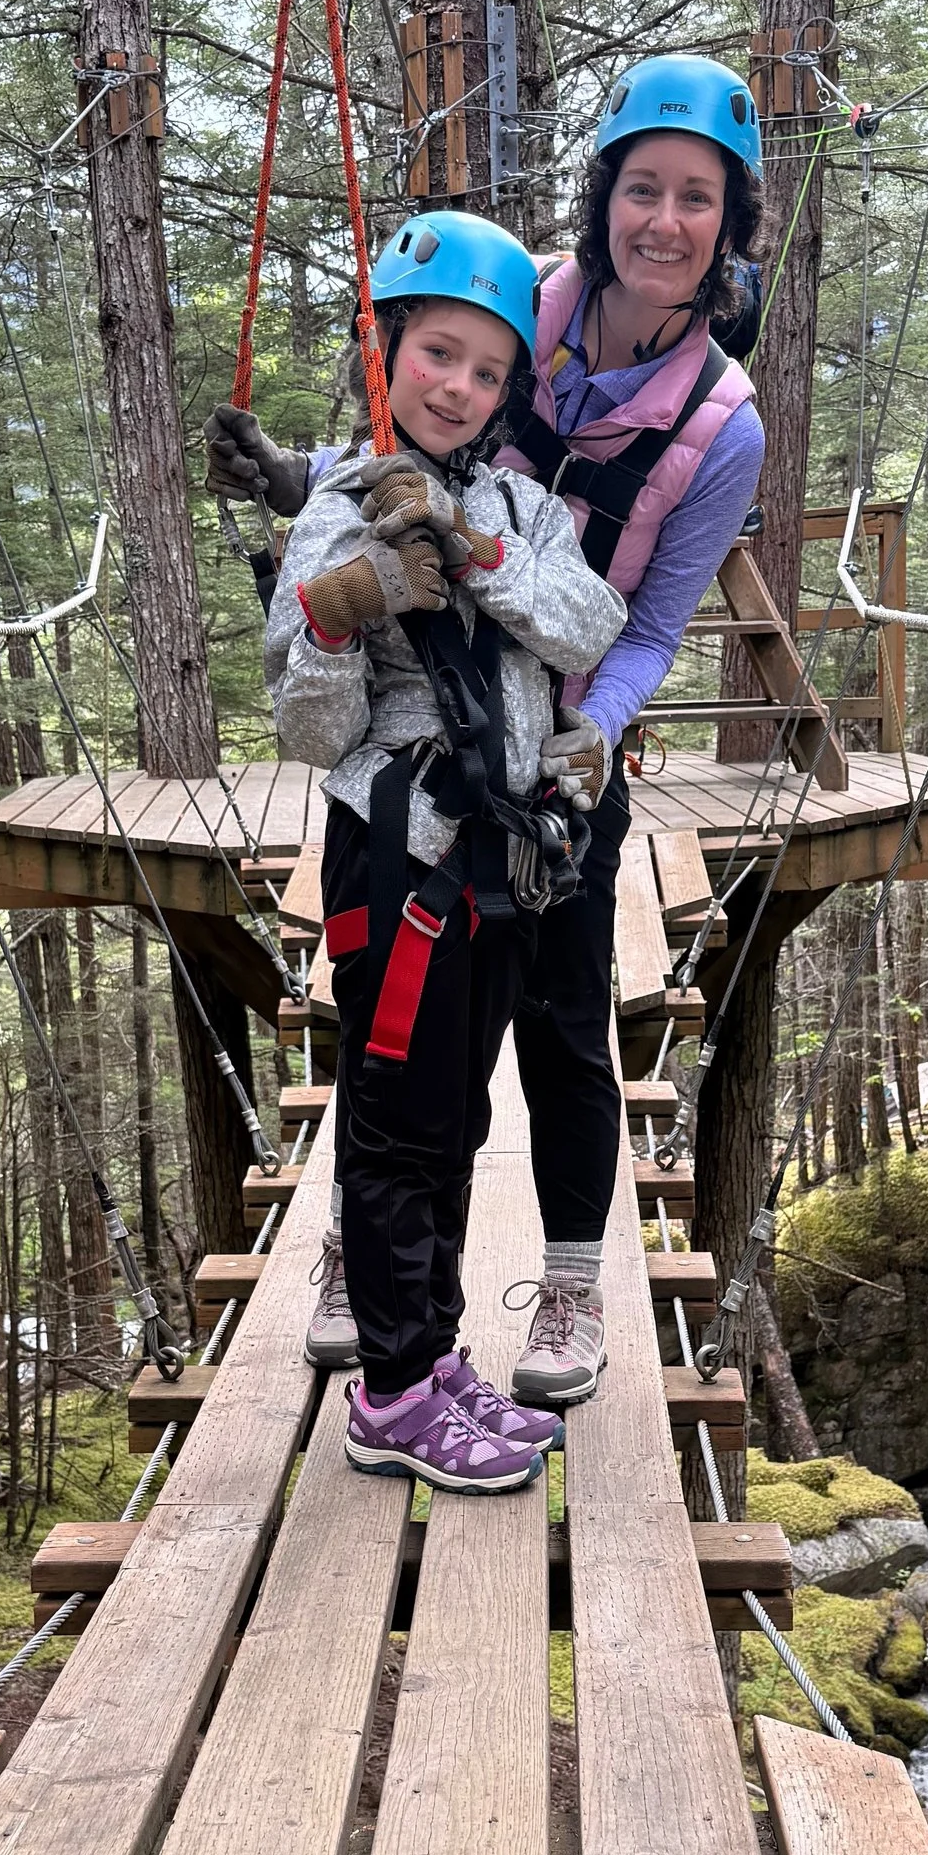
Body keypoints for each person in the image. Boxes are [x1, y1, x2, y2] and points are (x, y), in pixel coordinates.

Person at [214, 56, 766, 1409]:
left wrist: (595, 740)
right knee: (412, 1039)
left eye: (696, 198)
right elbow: (411, 436)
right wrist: (307, 497)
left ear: (729, 222)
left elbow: (630, 627)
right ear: (606, 193)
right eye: (644, 187)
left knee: (566, 1020)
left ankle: (568, 1282)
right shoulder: (523, 295)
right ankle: (371, 1255)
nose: (664, 220)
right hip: (423, 758)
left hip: (564, 737)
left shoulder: (718, 425)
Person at [265, 212, 626, 1493]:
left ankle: (430, 1361)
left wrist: (474, 557)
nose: (457, 385)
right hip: (402, 857)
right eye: (435, 353)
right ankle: (395, 1391)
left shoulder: (522, 506)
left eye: (484, 368)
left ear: (508, 385)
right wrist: (345, 607)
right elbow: (312, 731)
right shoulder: (334, 509)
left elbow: (588, 622)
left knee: (455, 1115)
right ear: (390, 351)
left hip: (494, 860)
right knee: (402, 1127)